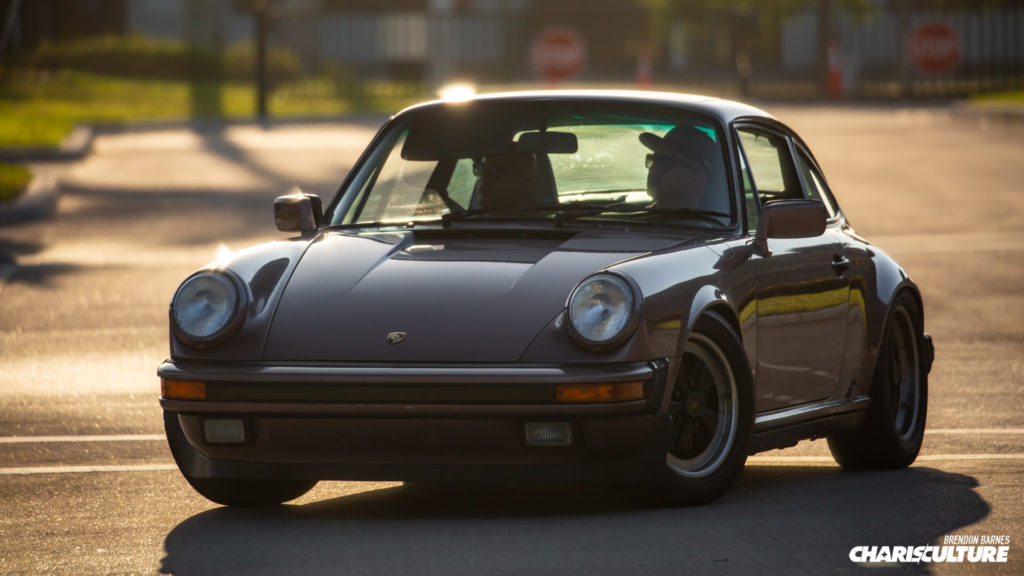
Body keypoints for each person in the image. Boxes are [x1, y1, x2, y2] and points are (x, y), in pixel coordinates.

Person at [640, 126, 720, 210]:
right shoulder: (648, 214)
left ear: (699, 177)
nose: (653, 168)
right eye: (652, 160)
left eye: (664, 163)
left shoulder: (702, 222)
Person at [473, 149, 538, 214]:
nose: (483, 177)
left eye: (496, 171)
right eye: (480, 168)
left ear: (526, 185)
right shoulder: (466, 221)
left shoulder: (539, 223)